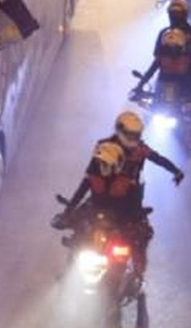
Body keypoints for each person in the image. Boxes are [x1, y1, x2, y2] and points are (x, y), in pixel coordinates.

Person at [59, 112, 183, 277]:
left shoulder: (140, 151)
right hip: (101, 199)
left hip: (128, 200)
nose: (133, 139)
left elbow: (158, 159)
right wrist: (68, 212)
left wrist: (175, 171)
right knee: (80, 229)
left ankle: (138, 273)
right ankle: (68, 270)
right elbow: (86, 182)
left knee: (137, 235)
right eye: (130, 134)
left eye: (136, 135)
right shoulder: (102, 150)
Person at [135, 0, 191, 108]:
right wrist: (140, 86)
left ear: (184, 14)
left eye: (178, 14)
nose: (175, 17)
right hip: (164, 82)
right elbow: (156, 61)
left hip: (187, 80)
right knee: (151, 110)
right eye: (172, 13)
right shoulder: (163, 33)